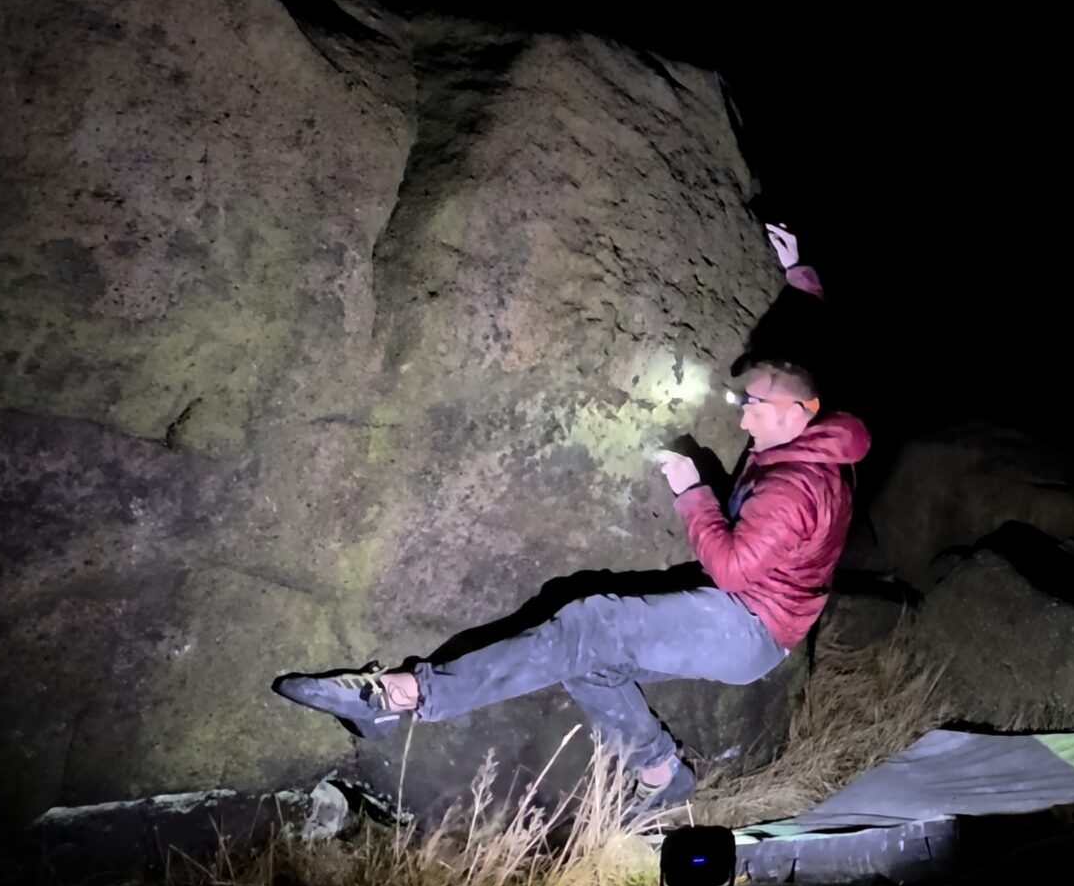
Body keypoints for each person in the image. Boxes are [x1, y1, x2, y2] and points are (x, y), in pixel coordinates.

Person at [272, 224, 868, 810]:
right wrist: (800, 276)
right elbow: (810, 357)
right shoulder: (812, 426)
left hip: (747, 625)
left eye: (753, 407)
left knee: (588, 623)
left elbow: (734, 569)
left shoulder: (794, 484)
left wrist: (691, 491)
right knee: (586, 656)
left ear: (795, 413)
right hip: (755, 616)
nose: (742, 419)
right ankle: (660, 773)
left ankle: (400, 696)